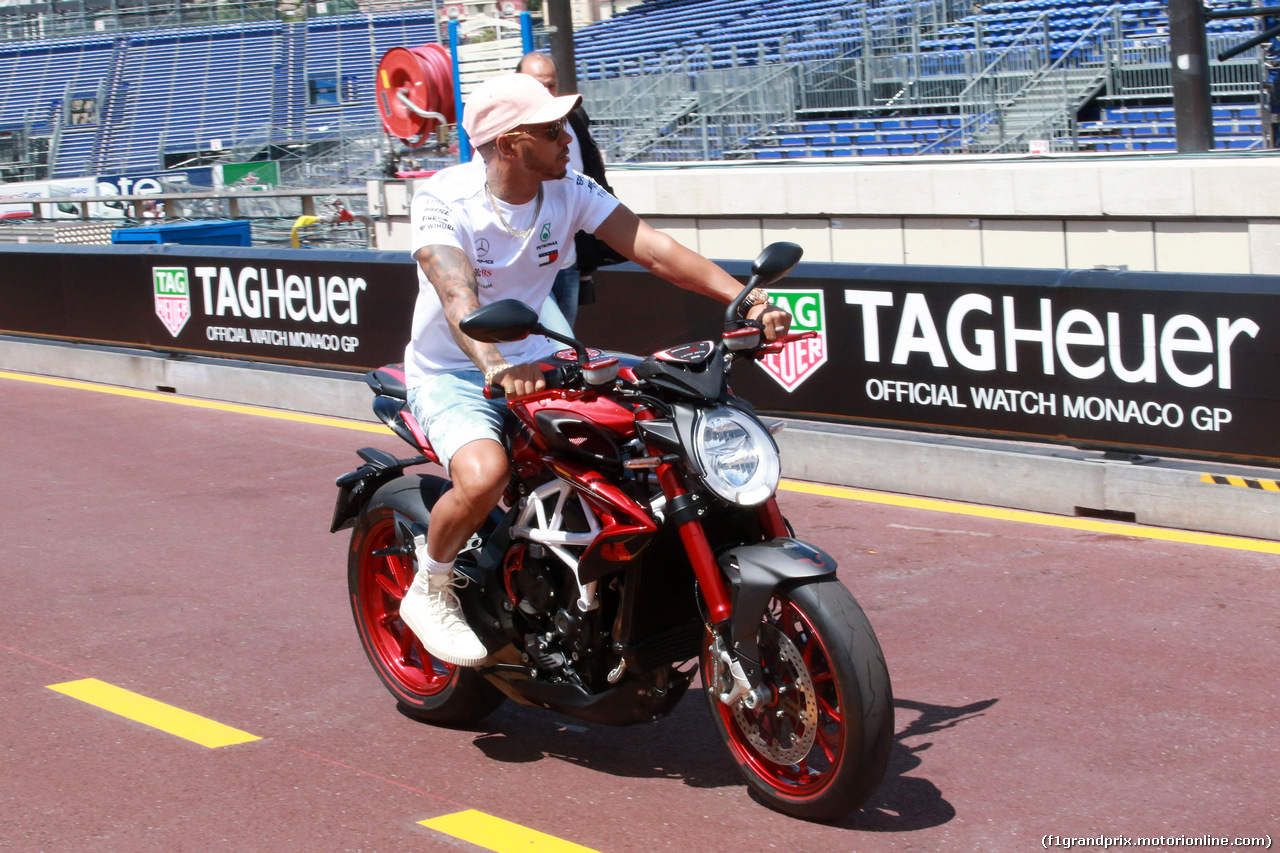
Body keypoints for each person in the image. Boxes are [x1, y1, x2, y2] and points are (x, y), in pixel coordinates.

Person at [399, 72, 792, 666]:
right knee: (484, 477)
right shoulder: (443, 198)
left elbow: (653, 248)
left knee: (647, 434)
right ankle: (430, 587)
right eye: (552, 129)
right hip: (456, 369)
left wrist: (745, 300)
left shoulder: (569, 189)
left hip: (541, 357)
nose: (567, 138)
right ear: (509, 144)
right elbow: (459, 294)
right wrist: (498, 367)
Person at [515, 50, 616, 329]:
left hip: (568, 261)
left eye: (552, 85)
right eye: (538, 85)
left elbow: (654, 249)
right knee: (562, 347)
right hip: (525, 271)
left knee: (562, 352)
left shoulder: (575, 125)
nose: (564, 142)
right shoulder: (503, 138)